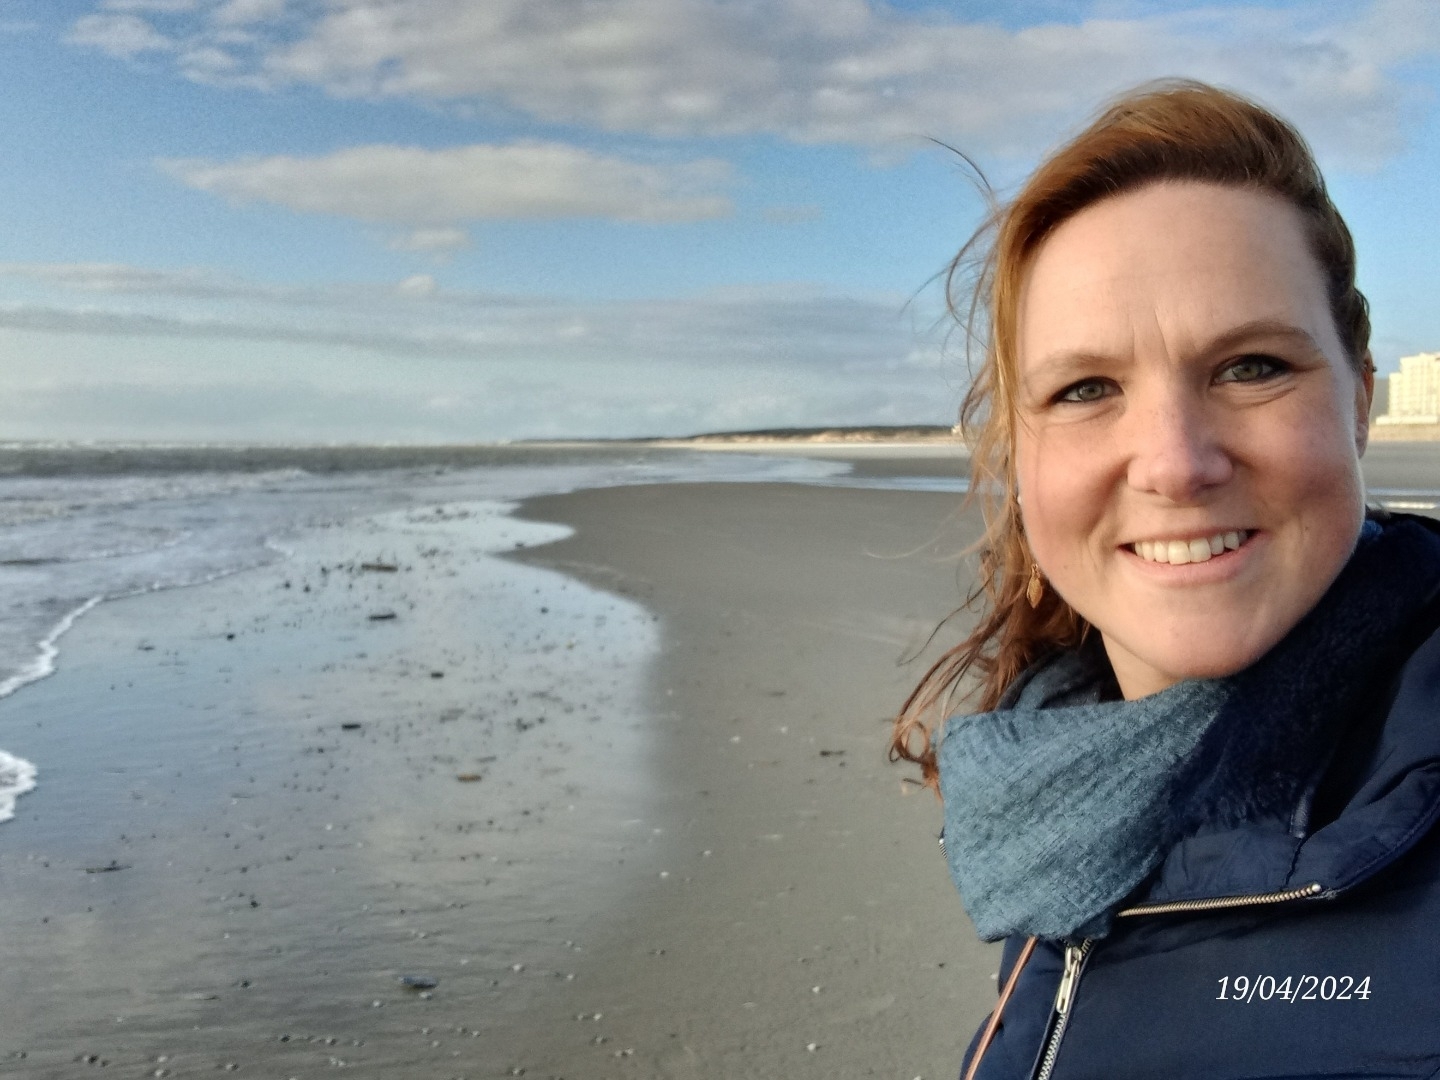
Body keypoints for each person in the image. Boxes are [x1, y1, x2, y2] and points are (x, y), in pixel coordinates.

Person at [890, 79, 1440, 1079]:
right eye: (1086, 388)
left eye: (1252, 367)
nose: (1177, 463)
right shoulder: (1058, 788)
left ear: (1359, 402)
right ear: (1020, 458)